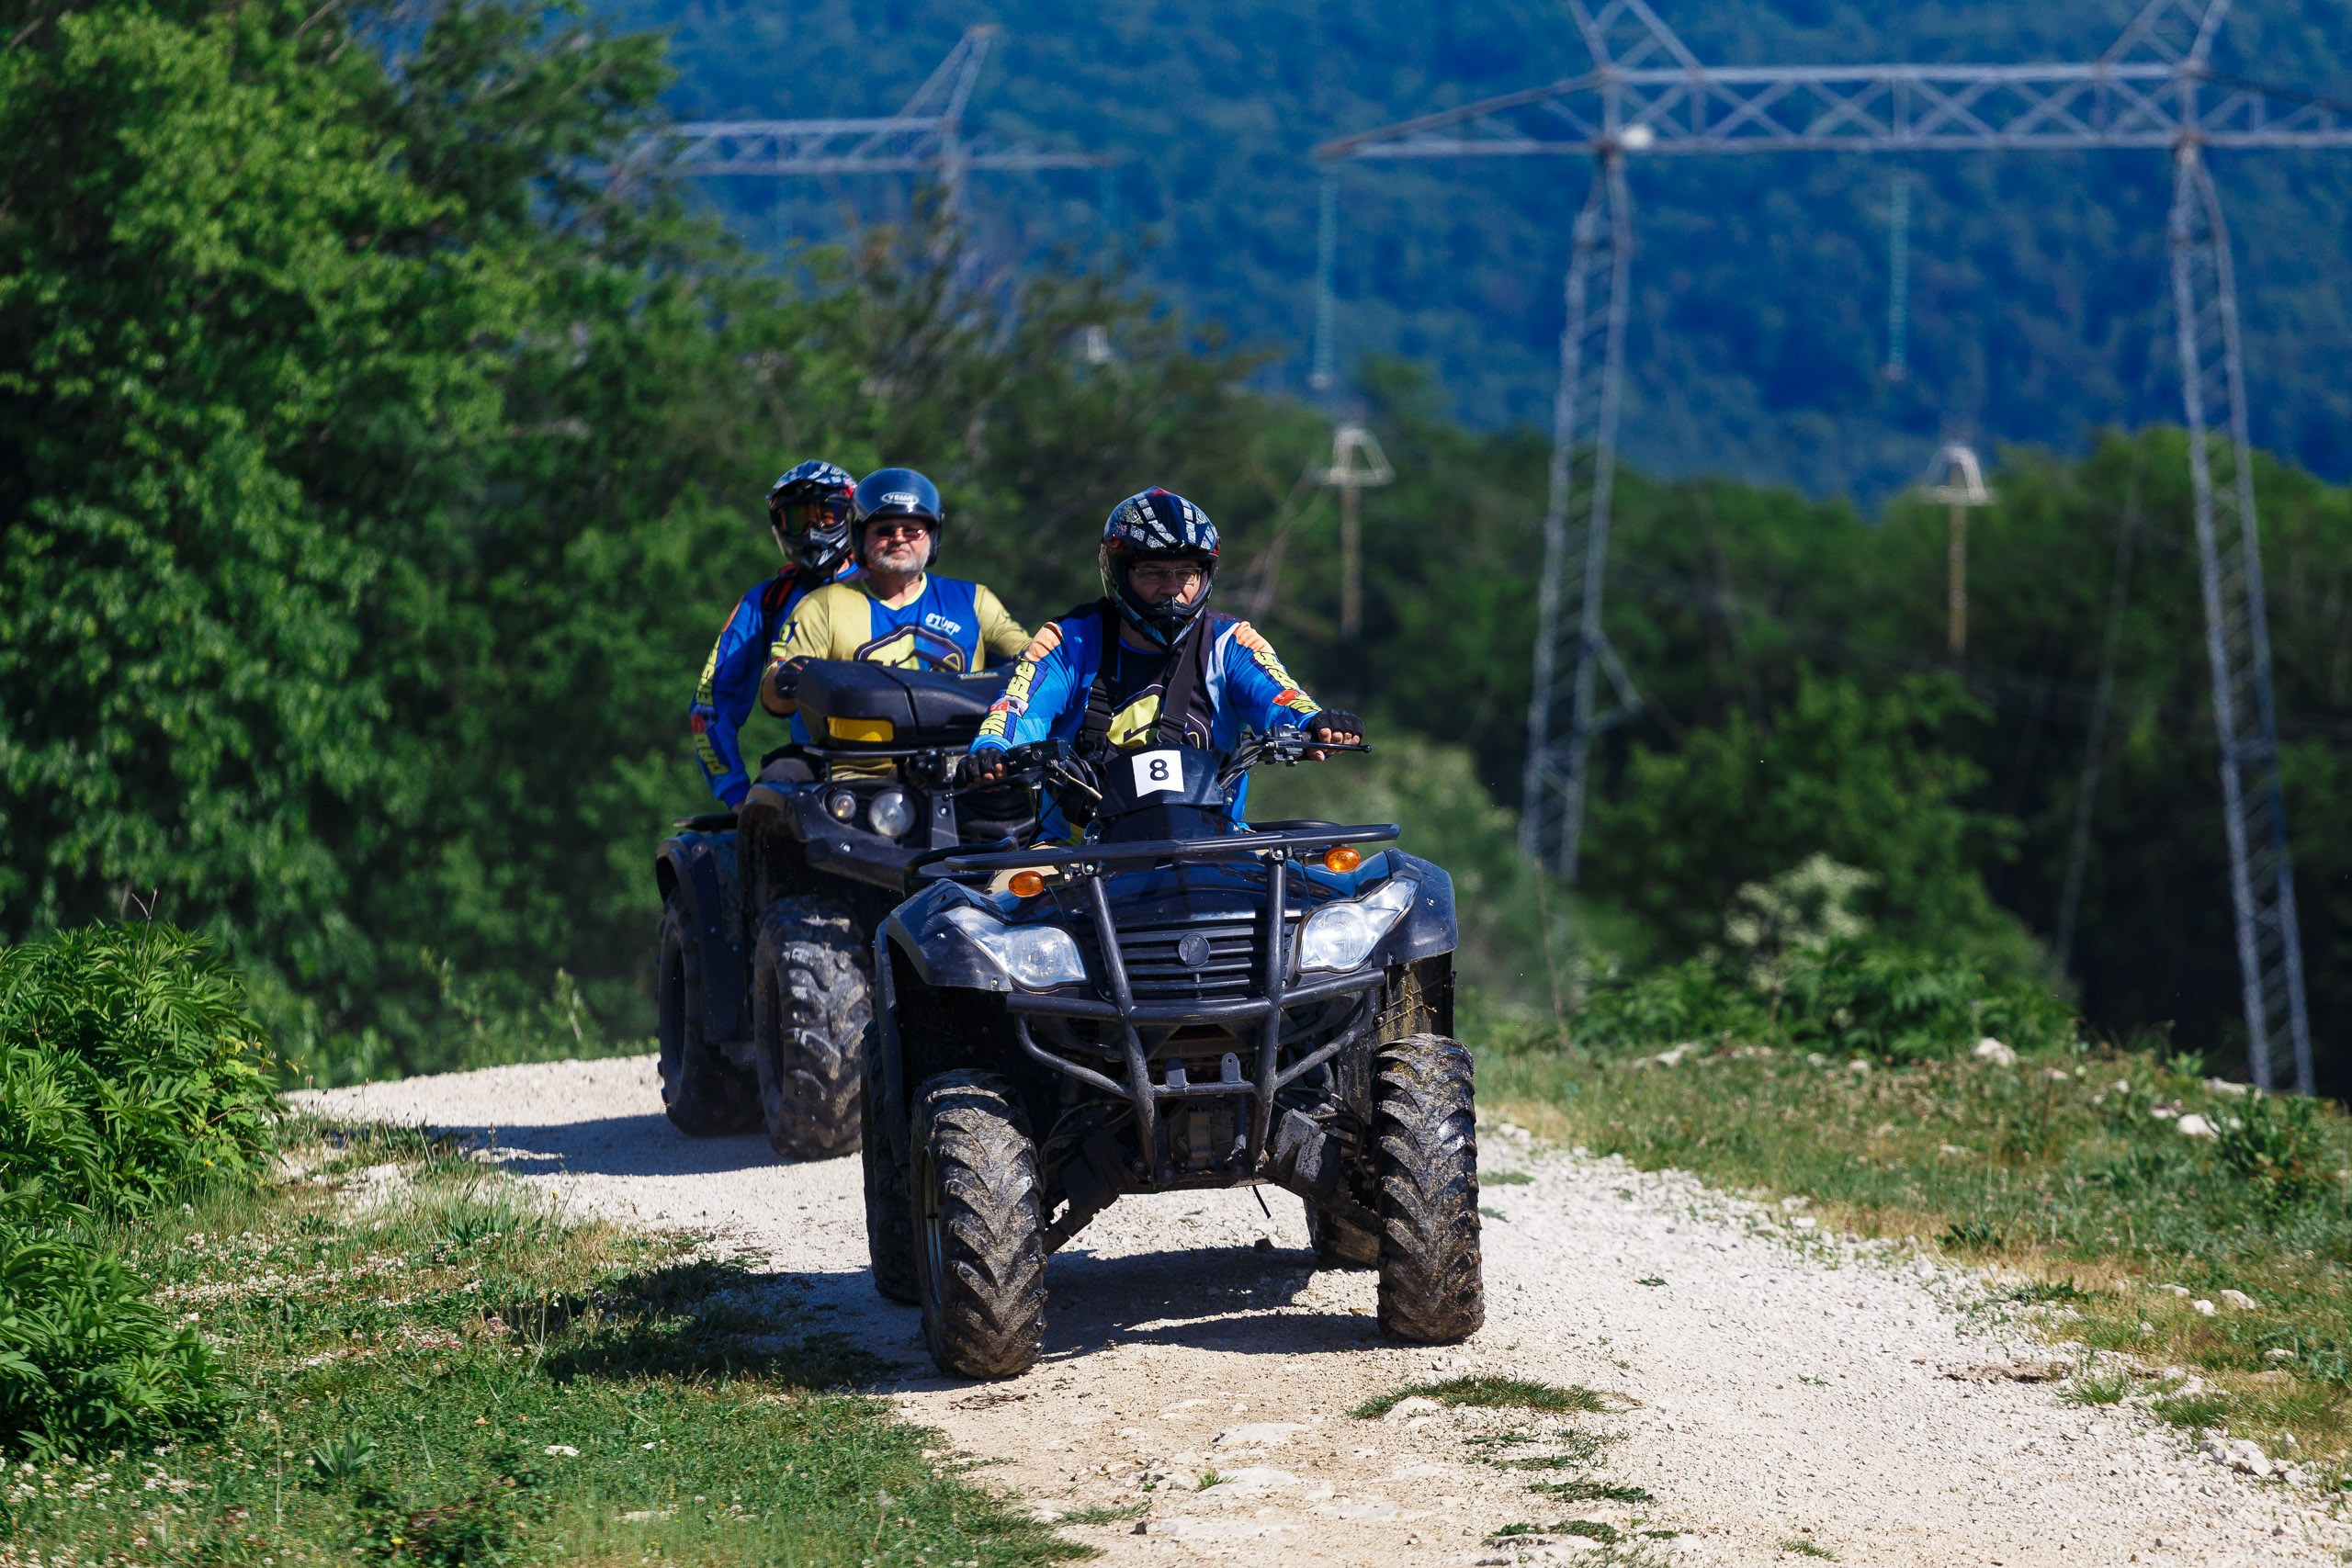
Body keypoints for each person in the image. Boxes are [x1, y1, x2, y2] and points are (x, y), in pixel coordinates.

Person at [961, 487, 1362, 812]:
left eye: (1186, 573)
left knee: (1310, 904)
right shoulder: (1067, 642)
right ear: (1118, 572)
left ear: (1205, 576)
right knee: (991, 909)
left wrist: (1315, 722)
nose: (1172, 588)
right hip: (1076, 856)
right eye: (1152, 572)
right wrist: (991, 751)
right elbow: (1016, 711)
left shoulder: (1232, 642)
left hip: (1213, 848)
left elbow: (1281, 695)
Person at [759, 468, 1030, 728]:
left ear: (932, 536)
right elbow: (773, 696)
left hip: (966, 762)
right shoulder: (821, 606)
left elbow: (1033, 656)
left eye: (912, 530)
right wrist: (787, 677)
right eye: (884, 530)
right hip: (855, 765)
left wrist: (1052, 647)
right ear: (858, 535)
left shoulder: (974, 600)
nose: (898, 539)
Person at [689, 460, 856, 807]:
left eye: (825, 516)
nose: (812, 530)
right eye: (798, 519)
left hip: (908, 753)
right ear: (779, 527)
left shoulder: (890, 583)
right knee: (770, 801)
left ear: (852, 516)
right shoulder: (765, 602)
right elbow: (709, 703)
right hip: (815, 761)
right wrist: (736, 794)